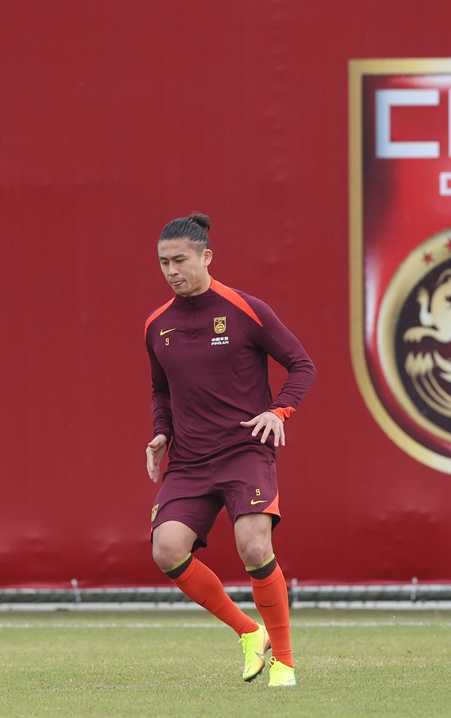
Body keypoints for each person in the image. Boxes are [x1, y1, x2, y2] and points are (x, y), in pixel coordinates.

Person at [144, 213, 316, 686]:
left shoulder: (244, 308)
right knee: (166, 549)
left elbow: (301, 365)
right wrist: (162, 432)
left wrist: (277, 412)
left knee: (254, 545)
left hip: (245, 450)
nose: (172, 270)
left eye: (180, 259)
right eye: (163, 262)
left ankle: (283, 659)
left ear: (206, 257)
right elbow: (161, 391)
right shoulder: (157, 325)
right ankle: (248, 632)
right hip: (191, 459)